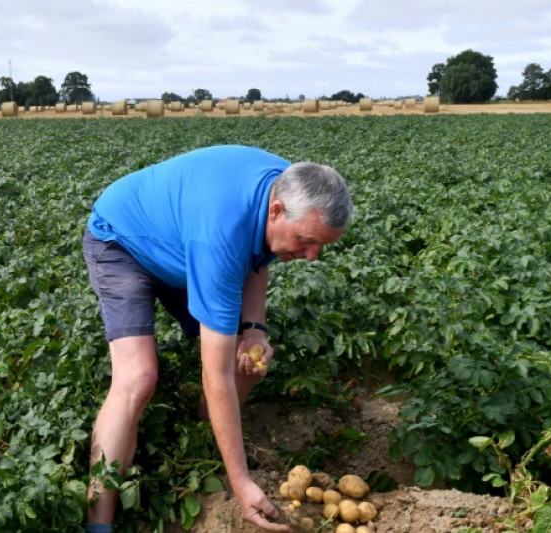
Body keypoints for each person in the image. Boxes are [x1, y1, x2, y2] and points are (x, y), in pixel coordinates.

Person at [82, 144, 352, 532]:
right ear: (277, 210)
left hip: (186, 241)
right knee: (137, 378)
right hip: (123, 240)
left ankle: (200, 432)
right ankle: (98, 522)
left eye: (322, 246)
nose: (312, 256)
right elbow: (217, 372)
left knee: (251, 359)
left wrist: (254, 328)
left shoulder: (291, 188)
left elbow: (259, 253)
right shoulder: (221, 235)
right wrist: (241, 483)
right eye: (308, 241)